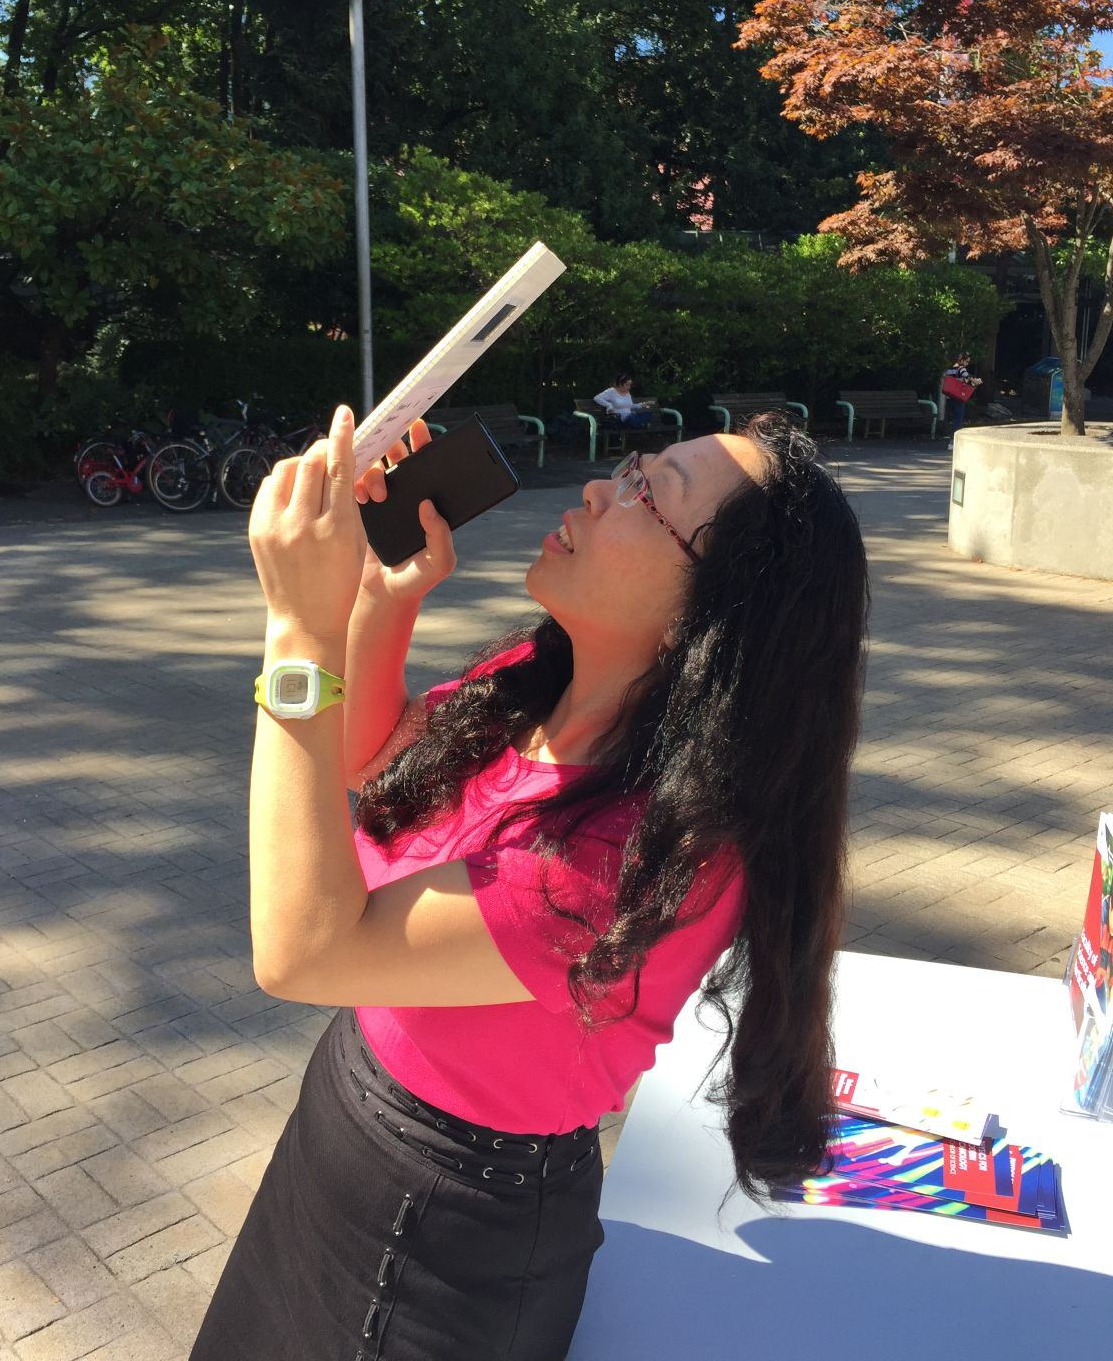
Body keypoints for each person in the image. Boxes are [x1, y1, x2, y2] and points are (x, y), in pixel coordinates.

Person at [189, 407, 869, 1361]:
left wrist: (299, 634)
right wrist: (384, 597)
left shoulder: (643, 855)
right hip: (349, 1112)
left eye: (647, 494)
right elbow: (372, 762)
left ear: (707, 616)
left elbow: (304, 949)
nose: (597, 490)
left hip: (438, 1220)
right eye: (631, 467)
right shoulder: (544, 682)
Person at [942, 352, 982, 448]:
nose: (967, 364)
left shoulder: (950, 369)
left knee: (951, 418)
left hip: (949, 396)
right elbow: (966, 376)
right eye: (967, 361)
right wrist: (975, 381)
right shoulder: (961, 369)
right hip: (959, 397)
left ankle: (949, 439)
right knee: (958, 418)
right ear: (962, 360)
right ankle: (953, 441)